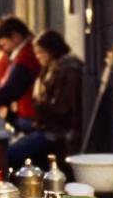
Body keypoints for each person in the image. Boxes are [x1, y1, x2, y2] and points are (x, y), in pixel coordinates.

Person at [6, 29, 84, 170]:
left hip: (57, 132)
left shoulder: (66, 69)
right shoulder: (49, 69)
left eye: (40, 52)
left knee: (10, 154)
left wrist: (40, 103)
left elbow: (62, 109)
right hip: (46, 127)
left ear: (51, 50)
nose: (38, 57)